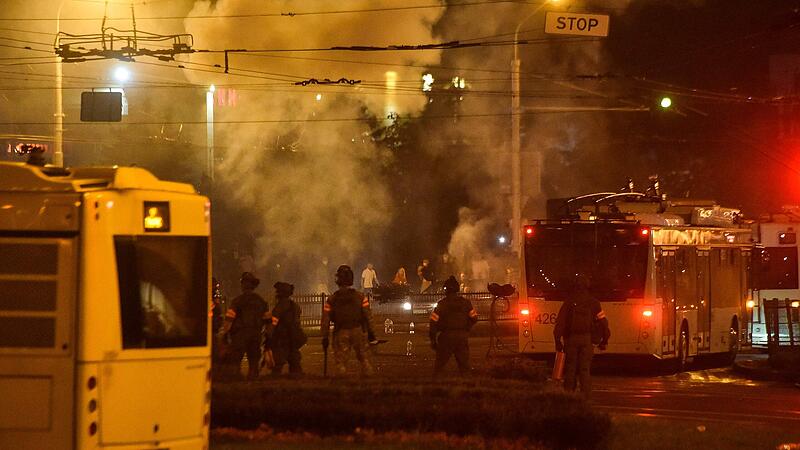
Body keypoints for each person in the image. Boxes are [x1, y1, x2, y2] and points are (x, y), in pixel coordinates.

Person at [553, 274, 610, 398]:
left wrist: (557, 341)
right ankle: (585, 397)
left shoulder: (568, 302)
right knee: (585, 370)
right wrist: (604, 340)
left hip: (571, 340)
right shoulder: (594, 303)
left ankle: (568, 396)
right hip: (587, 339)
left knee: (570, 369)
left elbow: (560, 323)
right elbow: (604, 323)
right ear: (587, 286)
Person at [321, 265, 377, 376]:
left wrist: (325, 336)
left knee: (341, 363)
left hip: (341, 332)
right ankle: (371, 386)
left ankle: (342, 388)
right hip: (358, 331)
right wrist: (372, 334)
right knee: (364, 360)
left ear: (338, 279)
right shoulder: (360, 297)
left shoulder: (332, 299)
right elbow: (368, 316)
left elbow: (326, 320)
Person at [219, 272, 269, 380]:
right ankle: (253, 381)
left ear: (243, 285)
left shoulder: (237, 301)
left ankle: (237, 382)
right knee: (254, 359)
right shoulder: (261, 301)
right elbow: (267, 319)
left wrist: (225, 333)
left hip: (240, 335)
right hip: (256, 335)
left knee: (236, 360)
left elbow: (229, 319)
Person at [429, 276, 479, 375]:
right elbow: (474, 318)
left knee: (439, 365)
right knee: (464, 366)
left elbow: (433, 323)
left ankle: (435, 386)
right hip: (462, 337)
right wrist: (466, 328)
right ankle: (469, 387)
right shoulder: (466, 303)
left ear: (446, 290)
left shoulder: (441, 304)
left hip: (446, 337)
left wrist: (433, 340)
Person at [265, 281, 305, 376]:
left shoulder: (279, 307)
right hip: (294, 339)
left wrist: (268, 337)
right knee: (295, 365)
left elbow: (273, 324)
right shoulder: (295, 306)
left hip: (282, 340)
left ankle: (277, 385)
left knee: (277, 365)